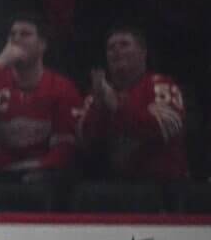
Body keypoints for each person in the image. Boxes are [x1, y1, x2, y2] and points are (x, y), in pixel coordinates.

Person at [0, 15, 83, 190]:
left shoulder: (61, 88)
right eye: (12, 35)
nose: (16, 39)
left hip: (45, 179)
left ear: (42, 45)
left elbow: (64, 147)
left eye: (25, 34)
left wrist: (35, 170)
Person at [76, 27, 189, 193]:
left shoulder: (160, 85)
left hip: (162, 188)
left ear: (143, 52)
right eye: (111, 47)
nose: (116, 51)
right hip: (114, 187)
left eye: (124, 44)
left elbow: (166, 126)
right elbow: (85, 141)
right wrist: (99, 107)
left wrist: (117, 106)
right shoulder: (97, 94)